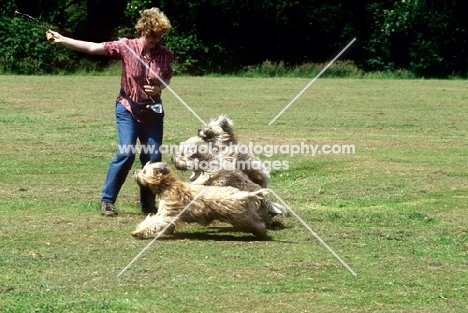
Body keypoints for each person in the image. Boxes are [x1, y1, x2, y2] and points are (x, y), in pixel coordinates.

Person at [46, 8, 174, 216]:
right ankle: (108, 200)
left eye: (159, 36)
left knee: (153, 156)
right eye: (152, 35)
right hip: (127, 107)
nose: (156, 39)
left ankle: (148, 205)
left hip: (153, 112)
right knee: (126, 152)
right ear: (143, 30)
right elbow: (92, 47)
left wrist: (160, 87)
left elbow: (167, 76)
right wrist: (62, 40)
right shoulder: (126, 47)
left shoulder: (165, 54)